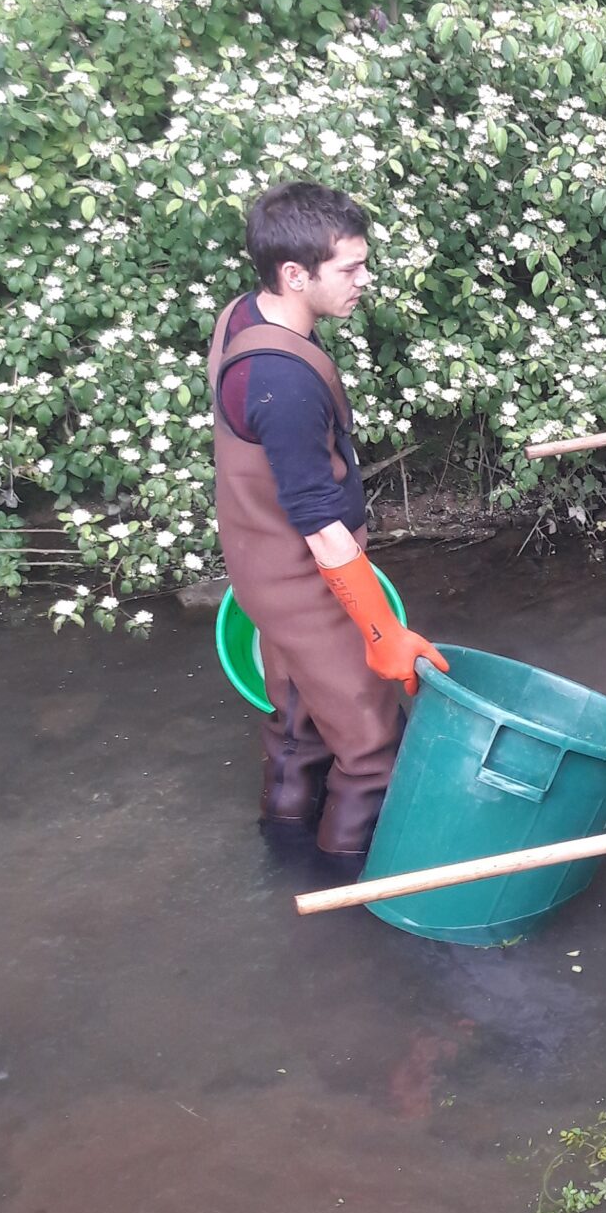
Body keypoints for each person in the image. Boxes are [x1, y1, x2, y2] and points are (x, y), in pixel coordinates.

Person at [209, 182, 448, 859]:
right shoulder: (281, 382)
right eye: (349, 268)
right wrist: (382, 631)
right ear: (294, 274)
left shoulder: (242, 316)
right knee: (372, 749)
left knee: (298, 722)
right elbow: (317, 522)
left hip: (257, 571)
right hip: (303, 580)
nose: (363, 281)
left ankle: (283, 851)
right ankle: (344, 891)